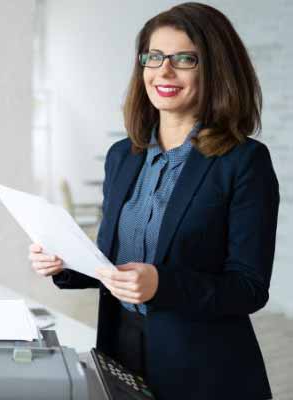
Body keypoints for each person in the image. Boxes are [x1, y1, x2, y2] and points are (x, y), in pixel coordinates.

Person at [29, 3, 280, 400]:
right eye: (154, 57)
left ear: (215, 69)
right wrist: (65, 263)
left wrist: (162, 284)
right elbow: (113, 263)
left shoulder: (243, 161)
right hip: (120, 348)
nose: (164, 70)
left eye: (184, 59)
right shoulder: (122, 156)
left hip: (202, 368)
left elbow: (248, 287)